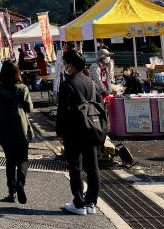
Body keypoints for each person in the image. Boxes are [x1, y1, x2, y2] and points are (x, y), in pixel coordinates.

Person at [56, 50, 102, 215]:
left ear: (70, 65)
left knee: (75, 166)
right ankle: (91, 203)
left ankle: (79, 203)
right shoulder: (91, 82)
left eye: (65, 63)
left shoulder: (67, 83)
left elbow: (62, 111)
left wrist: (60, 132)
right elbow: (99, 105)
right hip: (91, 128)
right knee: (92, 166)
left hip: (73, 131)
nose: (64, 66)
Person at [0, 61, 33, 204]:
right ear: (17, 73)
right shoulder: (22, 89)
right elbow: (29, 109)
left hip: (3, 128)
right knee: (22, 159)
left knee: (10, 160)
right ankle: (20, 183)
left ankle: (11, 192)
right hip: (21, 129)